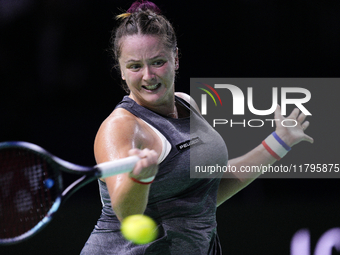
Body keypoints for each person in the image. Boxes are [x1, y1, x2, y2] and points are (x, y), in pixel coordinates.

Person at [80, 1, 313, 254]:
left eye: (157, 62)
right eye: (135, 66)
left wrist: (279, 142)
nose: (148, 76)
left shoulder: (188, 104)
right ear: (122, 71)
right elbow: (126, 214)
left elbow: (205, 193)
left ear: (176, 58)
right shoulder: (120, 128)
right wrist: (139, 178)